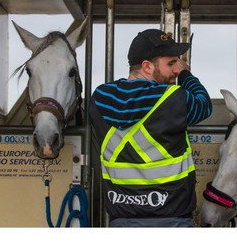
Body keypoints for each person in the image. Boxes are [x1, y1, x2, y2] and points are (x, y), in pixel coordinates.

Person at [89, 29, 212, 227]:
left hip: (121, 221)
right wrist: (186, 74)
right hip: (172, 221)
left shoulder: (101, 98)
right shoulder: (171, 98)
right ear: (147, 66)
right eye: (171, 63)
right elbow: (203, 104)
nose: (175, 70)